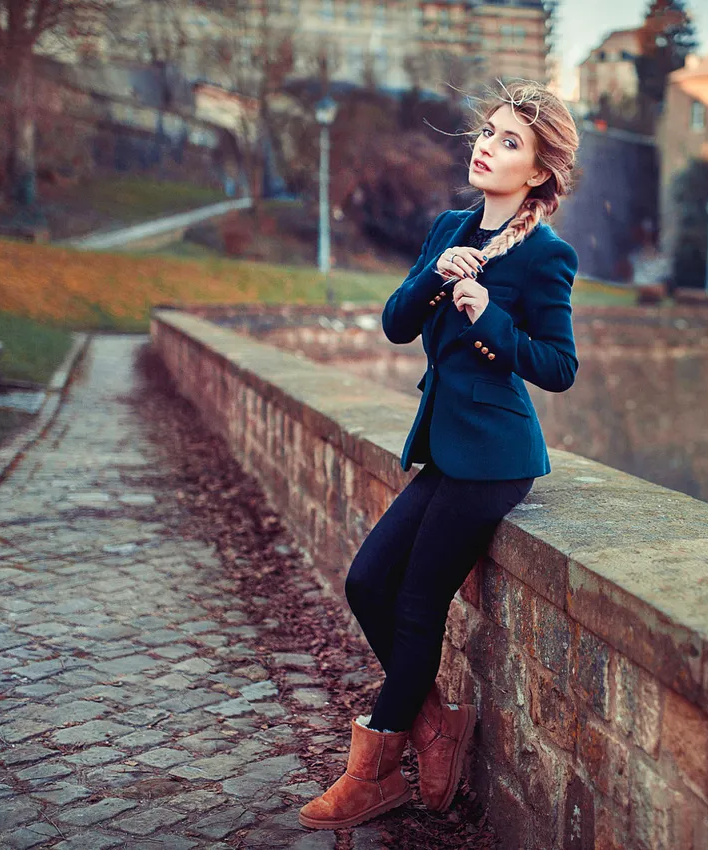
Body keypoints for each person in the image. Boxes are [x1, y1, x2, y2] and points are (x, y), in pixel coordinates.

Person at [297, 79, 582, 830]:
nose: (488, 145)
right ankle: (436, 726)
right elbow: (396, 323)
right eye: (488, 132)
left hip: (495, 457)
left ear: (540, 172)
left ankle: (372, 772)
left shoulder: (546, 257)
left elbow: (558, 365)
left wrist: (490, 318)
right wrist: (438, 272)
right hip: (444, 447)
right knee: (366, 583)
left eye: (510, 141)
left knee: (418, 602)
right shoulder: (450, 226)